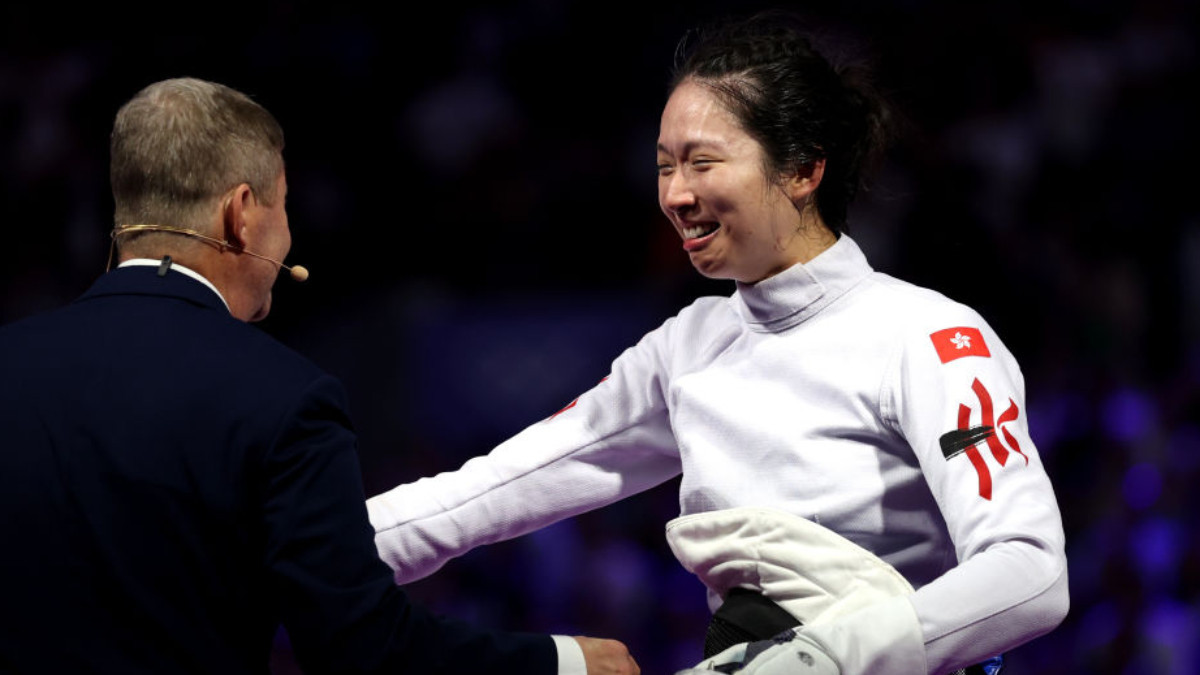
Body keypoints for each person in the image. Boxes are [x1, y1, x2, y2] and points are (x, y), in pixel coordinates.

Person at [366, 12, 1068, 675]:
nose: (674, 193)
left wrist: (819, 659)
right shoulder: (689, 346)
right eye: (666, 165)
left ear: (802, 169)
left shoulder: (927, 335)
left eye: (702, 161)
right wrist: (311, 543)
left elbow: (1029, 570)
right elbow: (489, 489)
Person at [0, 77, 638, 675]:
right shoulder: (282, 397)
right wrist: (567, 662)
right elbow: (359, 647)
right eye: (284, 205)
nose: (287, 239)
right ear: (241, 213)